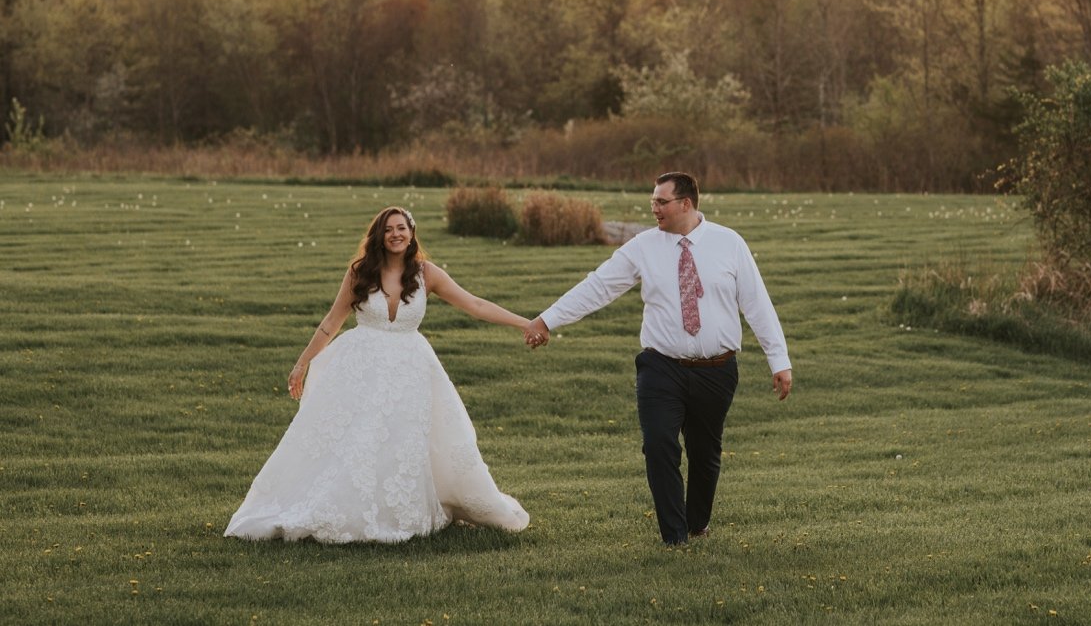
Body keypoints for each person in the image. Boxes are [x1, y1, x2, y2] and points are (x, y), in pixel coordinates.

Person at [225, 206, 532, 543]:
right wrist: (302, 363)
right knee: (357, 439)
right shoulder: (360, 272)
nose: (396, 234)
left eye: (402, 228)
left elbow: (477, 306)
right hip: (361, 369)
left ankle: (398, 509)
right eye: (388, 229)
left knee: (402, 440)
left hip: (409, 371)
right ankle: (346, 507)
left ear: (412, 233)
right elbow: (331, 322)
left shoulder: (427, 274)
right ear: (379, 236)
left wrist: (526, 323)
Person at [525, 171, 792, 546]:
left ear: (686, 203)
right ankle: (674, 536)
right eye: (652, 201)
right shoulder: (643, 246)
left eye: (660, 202)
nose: (653, 208)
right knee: (658, 444)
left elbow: (757, 303)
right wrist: (548, 319)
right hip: (660, 366)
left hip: (717, 369)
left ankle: (697, 523)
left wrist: (779, 360)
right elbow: (599, 286)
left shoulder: (729, 243)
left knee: (705, 452)